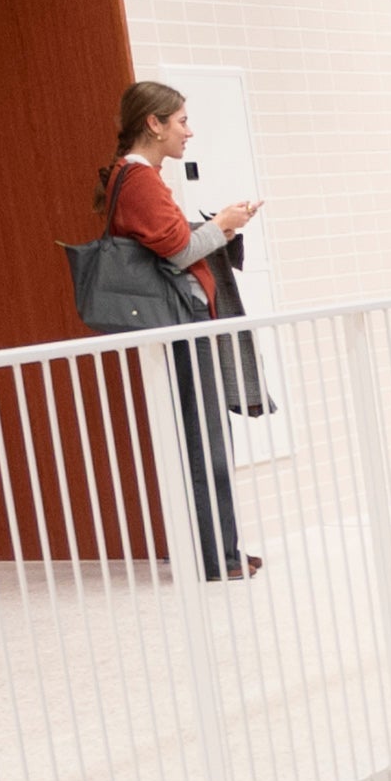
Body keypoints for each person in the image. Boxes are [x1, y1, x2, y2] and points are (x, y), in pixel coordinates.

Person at [95, 81, 261, 578]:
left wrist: (221, 228)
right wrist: (223, 224)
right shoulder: (140, 178)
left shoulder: (135, 177)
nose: (189, 131)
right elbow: (178, 251)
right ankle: (217, 556)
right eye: (182, 121)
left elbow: (170, 241)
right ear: (154, 123)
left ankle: (218, 550)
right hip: (180, 324)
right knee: (204, 438)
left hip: (177, 324)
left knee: (201, 436)